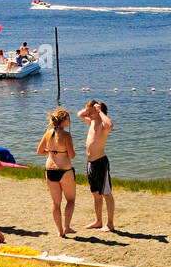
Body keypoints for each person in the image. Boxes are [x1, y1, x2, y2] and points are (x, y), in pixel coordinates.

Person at [37, 107, 76, 237]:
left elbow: (39, 151)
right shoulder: (66, 135)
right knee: (70, 200)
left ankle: (59, 231)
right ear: (63, 120)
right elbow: (72, 155)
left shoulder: (48, 133)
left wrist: (50, 151)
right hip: (64, 170)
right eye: (68, 119)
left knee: (56, 202)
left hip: (50, 169)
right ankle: (67, 227)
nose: (69, 121)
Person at [79, 100, 115, 230]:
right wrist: (90, 108)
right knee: (95, 194)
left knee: (106, 194)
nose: (88, 113)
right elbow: (79, 114)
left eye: (90, 111)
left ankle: (110, 224)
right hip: (90, 163)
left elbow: (110, 125)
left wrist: (99, 110)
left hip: (100, 162)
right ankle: (98, 221)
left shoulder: (102, 124)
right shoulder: (92, 121)